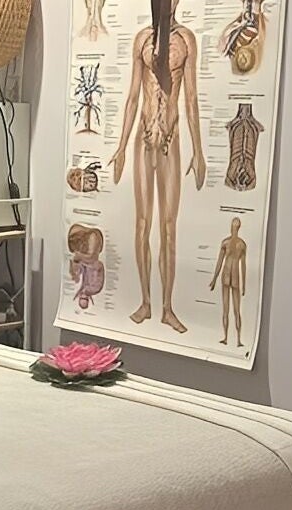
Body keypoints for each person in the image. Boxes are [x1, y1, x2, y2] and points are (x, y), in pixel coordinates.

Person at [108, 0, 205, 333]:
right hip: (143, 138)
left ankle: (167, 307)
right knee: (142, 223)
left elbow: (191, 97)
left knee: (168, 226)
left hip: (170, 140)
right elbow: (133, 97)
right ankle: (146, 302)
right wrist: (120, 147)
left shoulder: (187, 40)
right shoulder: (142, 40)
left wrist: (200, 150)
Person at [207, 217, 247, 346]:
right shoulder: (234, 243)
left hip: (230, 276)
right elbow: (220, 262)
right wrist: (214, 279)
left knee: (233, 310)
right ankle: (230, 338)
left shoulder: (235, 244)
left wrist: (245, 284)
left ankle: (236, 339)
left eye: (234, 226)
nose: (233, 228)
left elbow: (243, 265)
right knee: (230, 310)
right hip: (229, 276)